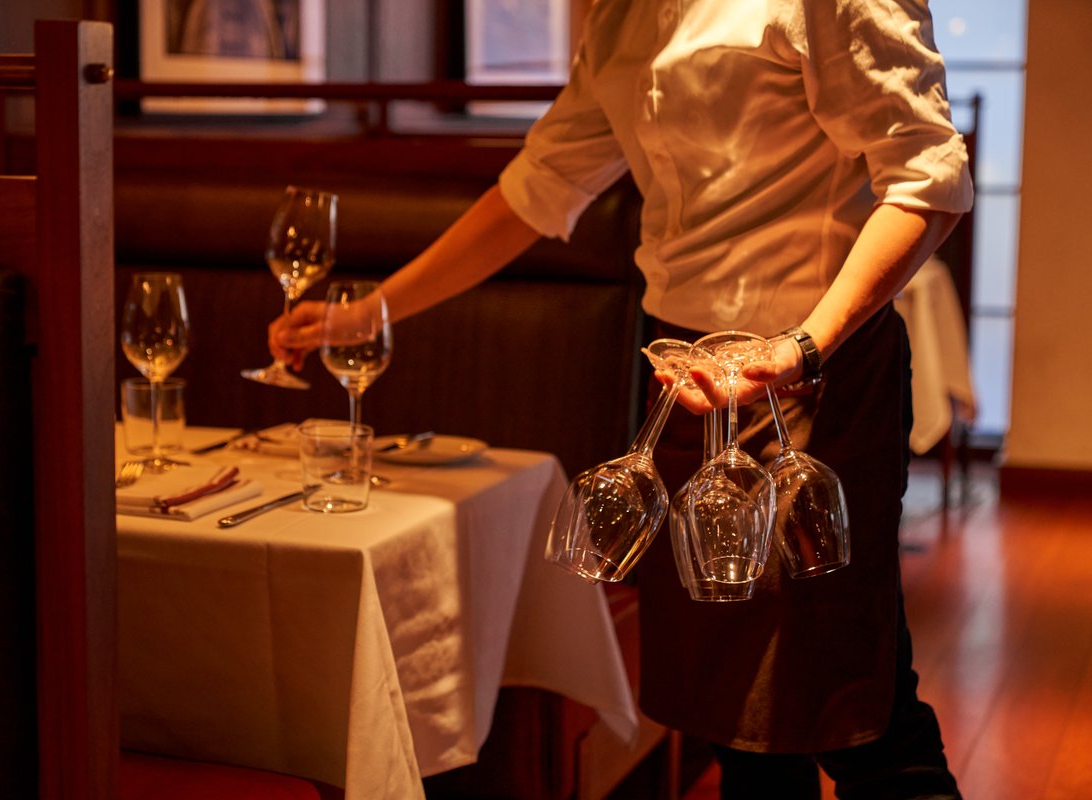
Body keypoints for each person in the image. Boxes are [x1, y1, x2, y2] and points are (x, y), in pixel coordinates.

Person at [270, 1, 972, 796]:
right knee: (734, 720)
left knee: (857, 715)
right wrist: (366, 314)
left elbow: (929, 178)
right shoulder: (620, 14)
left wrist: (799, 346)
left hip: (810, 374)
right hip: (685, 380)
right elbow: (535, 190)